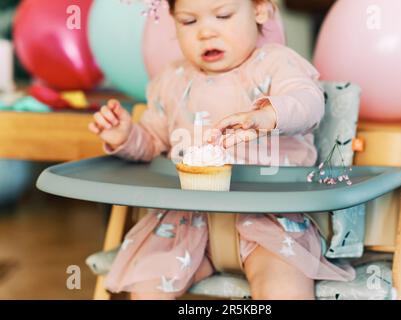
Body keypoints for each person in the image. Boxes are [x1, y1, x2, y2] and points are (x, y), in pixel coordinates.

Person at [88, 0, 355, 300]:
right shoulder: (171, 80)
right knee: (147, 286)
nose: (206, 32)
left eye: (223, 15)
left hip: (271, 222)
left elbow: (309, 102)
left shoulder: (277, 64)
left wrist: (270, 115)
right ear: (173, 21)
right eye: (189, 21)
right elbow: (152, 141)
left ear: (259, 10)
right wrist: (125, 135)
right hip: (186, 221)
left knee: (282, 288)